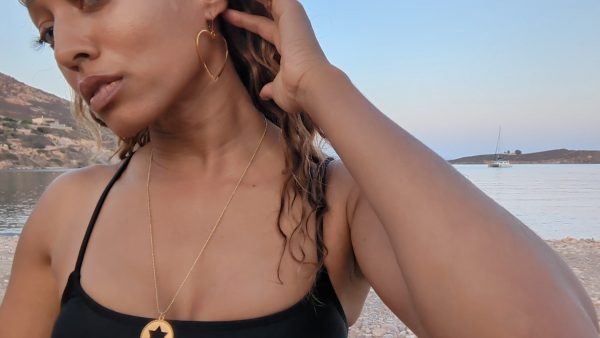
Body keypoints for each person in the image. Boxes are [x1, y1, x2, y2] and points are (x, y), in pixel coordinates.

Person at [0, 0, 598, 337]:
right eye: (47, 30)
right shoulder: (67, 210)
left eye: (91, 0)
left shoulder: (337, 205)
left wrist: (324, 89)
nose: (66, 47)